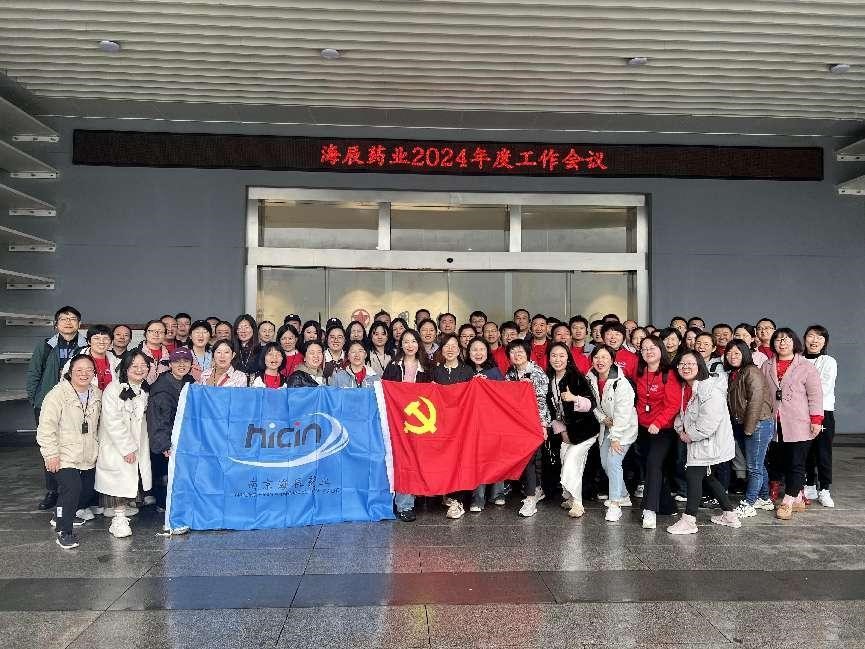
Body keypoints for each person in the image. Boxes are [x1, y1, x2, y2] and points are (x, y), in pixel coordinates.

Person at [666, 351, 741, 534]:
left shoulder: (709, 390)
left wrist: (689, 435)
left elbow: (708, 423)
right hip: (699, 441)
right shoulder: (686, 388)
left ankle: (689, 520)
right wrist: (680, 430)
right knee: (708, 476)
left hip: (708, 442)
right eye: (682, 364)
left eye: (690, 363)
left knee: (693, 475)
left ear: (700, 366)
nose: (686, 367)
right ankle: (730, 515)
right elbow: (681, 414)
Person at [36, 354, 102, 549]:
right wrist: (51, 455)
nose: (84, 374)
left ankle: (59, 515)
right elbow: (46, 428)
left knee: (87, 490)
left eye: (88, 370)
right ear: (69, 372)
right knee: (72, 488)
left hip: (88, 453)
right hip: (63, 454)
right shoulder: (56, 395)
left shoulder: (96, 394)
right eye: (79, 370)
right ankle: (64, 531)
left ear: (94, 373)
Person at [762, 328, 823, 520]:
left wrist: (816, 420)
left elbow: (815, 395)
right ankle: (797, 499)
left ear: (794, 342)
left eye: (787, 339)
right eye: (778, 339)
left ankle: (787, 502)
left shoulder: (805, 366)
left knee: (796, 463)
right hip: (774, 424)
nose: (782, 343)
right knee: (780, 462)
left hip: (799, 423)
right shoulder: (766, 365)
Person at [95, 350, 152, 539]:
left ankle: (123, 511)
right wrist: (127, 448)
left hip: (138, 443)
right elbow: (112, 422)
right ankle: (118, 520)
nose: (139, 369)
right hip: (117, 446)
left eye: (143, 366)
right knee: (117, 481)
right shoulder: (113, 390)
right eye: (134, 366)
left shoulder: (144, 390)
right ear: (125, 368)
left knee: (130, 479)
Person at [382, 329, 432, 522]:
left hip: (420, 423)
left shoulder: (427, 367)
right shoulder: (393, 366)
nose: (410, 345)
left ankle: (418, 497)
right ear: (400, 345)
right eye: (406, 341)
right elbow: (384, 391)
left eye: (413, 341)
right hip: (397, 422)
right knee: (403, 461)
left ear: (418, 344)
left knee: (417, 460)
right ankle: (405, 505)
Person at [586, 345, 638, 523]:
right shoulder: (590, 378)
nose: (600, 361)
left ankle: (615, 505)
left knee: (614, 461)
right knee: (605, 462)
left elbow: (624, 414)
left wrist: (616, 437)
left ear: (612, 360)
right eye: (596, 357)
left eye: (604, 357)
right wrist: (602, 418)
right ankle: (623, 495)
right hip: (607, 426)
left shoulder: (621, 383)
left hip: (623, 428)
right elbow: (591, 404)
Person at [547, 342, 598, 519]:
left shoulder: (575, 376)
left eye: (562, 355)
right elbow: (553, 411)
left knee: (571, 461)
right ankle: (570, 497)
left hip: (586, 431)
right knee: (565, 460)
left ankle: (578, 503)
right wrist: (562, 431)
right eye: (554, 355)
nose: (557, 359)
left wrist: (574, 398)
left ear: (568, 358)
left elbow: (592, 403)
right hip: (568, 431)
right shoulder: (550, 379)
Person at [724, 340, 775, 518]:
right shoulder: (736, 373)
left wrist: (749, 428)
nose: (732, 356)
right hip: (744, 424)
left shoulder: (751, 371)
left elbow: (756, 401)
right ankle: (764, 498)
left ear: (745, 354)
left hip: (757, 424)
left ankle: (749, 503)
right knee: (758, 464)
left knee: (754, 467)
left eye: (737, 353)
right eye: (729, 353)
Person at [634, 335, 680, 530]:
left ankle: (649, 509)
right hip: (643, 428)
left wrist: (658, 423)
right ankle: (667, 505)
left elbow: (673, 404)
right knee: (652, 466)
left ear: (661, 349)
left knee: (654, 463)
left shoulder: (669, 373)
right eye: (644, 348)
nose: (648, 351)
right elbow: (639, 400)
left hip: (663, 429)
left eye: (652, 347)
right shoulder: (640, 372)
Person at [146, 347, 194, 526]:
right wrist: (164, 444)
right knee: (165, 477)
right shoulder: (162, 387)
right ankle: (164, 508)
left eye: (186, 361)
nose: (181, 365)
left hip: (183, 439)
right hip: (166, 440)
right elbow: (158, 420)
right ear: (170, 364)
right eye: (177, 361)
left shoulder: (190, 382)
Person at [430, 334, 475, 520]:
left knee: (460, 460)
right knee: (445, 460)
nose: (450, 349)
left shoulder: (467, 371)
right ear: (441, 350)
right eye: (446, 346)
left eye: (454, 346)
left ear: (459, 349)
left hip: (462, 424)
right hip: (442, 424)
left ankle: (458, 501)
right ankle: (447, 493)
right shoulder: (436, 371)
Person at [504, 339, 550, 518]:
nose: (517, 355)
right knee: (527, 459)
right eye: (513, 352)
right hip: (517, 424)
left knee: (530, 458)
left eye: (520, 351)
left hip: (534, 423)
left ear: (527, 353)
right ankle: (536, 489)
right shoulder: (510, 373)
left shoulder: (537, 373)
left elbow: (541, 402)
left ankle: (531, 499)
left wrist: (543, 425)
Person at [466, 337, 506, 511]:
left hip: (494, 422)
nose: (478, 353)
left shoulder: (495, 372)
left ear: (487, 352)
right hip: (472, 424)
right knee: (477, 459)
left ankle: (498, 493)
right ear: (468, 352)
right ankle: (478, 498)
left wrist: (487, 385)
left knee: (496, 457)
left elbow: (504, 395)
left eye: (481, 349)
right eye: (474, 349)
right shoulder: (465, 371)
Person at [803, 324, 837, 508]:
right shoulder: (798, 360)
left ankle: (824, 489)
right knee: (805, 451)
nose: (814, 340)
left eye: (819, 337)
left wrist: (801, 391)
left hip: (823, 412)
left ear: (825, 342)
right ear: (804, 339)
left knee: (823, 452)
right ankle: (809, 485)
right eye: (811, 336)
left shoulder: (828, 361)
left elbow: (823, 388)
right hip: (800, 413)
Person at [60, 325, 118, 391]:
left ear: (111, 343)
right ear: (89, 342)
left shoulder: (115, 361)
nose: (101, 342)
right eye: (96, 338)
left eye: (105, 338)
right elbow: (65, 387)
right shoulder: (75, 361)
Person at [138, 319, 170, 385]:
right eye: (152, 331)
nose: (156, 334)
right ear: (145, 333)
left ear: (165, 335)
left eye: (160, 332)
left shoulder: (170, 355)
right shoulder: (135, 353)